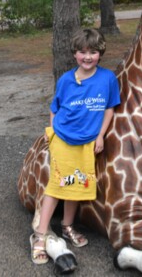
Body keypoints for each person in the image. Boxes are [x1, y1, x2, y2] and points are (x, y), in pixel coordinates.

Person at [30, 28, 120, 265]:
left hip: (88, 142)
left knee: (77, 184)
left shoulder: (108, 79)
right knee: (58, 186)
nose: (87, 57)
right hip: (63, 139)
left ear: (100, 53)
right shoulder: (66, 80)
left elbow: (109, 109)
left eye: (92, 52)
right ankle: (39, 235)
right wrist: (53, 138)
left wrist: (101, 136)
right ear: (74, 54)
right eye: (82, 52)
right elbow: (54, 109)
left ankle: (67, 226)